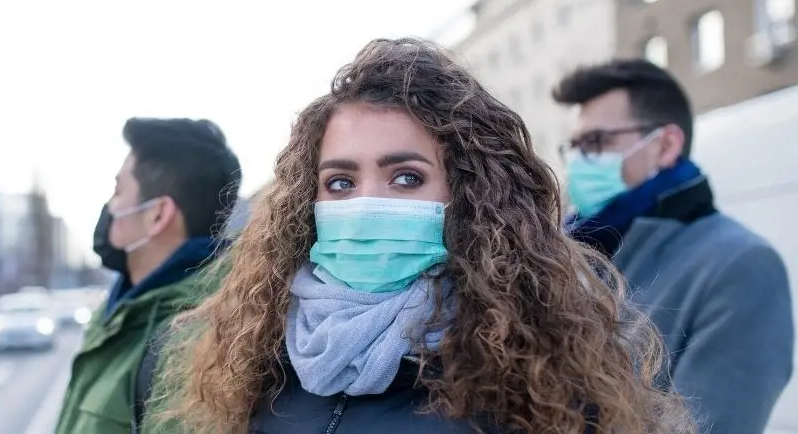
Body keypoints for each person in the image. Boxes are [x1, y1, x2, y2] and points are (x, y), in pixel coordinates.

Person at [144, 38, 696, 434]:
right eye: (340, 181)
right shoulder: (255, 354)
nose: (366, 203)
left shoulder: (543, 373)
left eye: (406, 177)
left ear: (469, 196)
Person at [554, 59, 793, 434]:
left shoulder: (741, 265)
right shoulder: (576, 255)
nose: (581, 161)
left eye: (598, 142)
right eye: (576, 145)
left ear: (665, 145)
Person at [55, 117, 241, 434]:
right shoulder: (125, 311)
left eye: (118, 190)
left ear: (157, 215)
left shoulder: (194, 348)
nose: (110, 207)